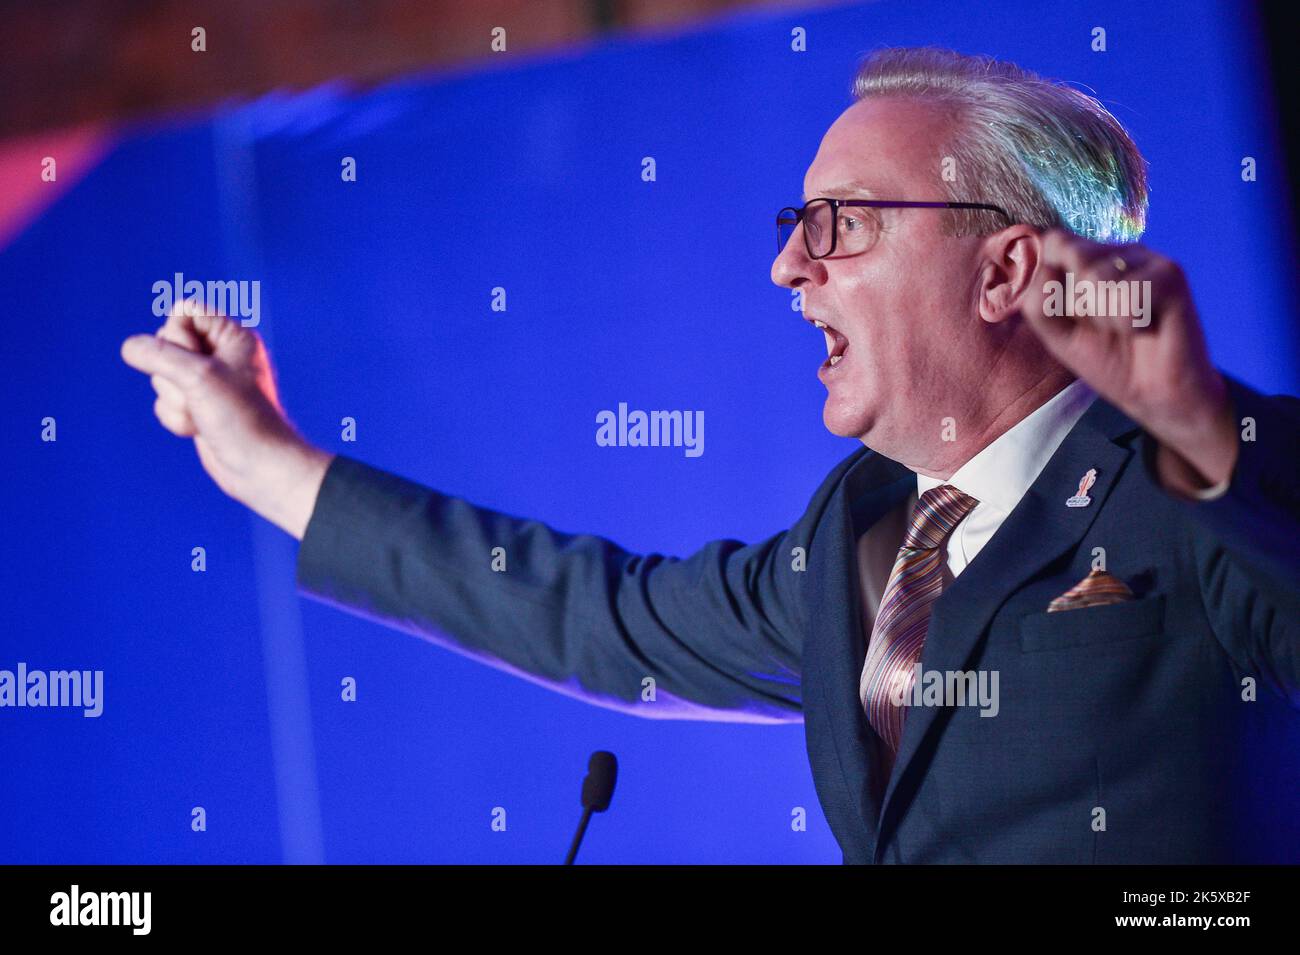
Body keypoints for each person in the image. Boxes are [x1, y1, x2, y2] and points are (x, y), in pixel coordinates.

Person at [120, 47, 1300, 863]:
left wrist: (1196, 429)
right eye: (795, 229)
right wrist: (265, 458)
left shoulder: (1211, 474)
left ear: (1003, 271)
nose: (792, 270)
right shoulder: (862, 531)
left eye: (840, 224)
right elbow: (598, 615)